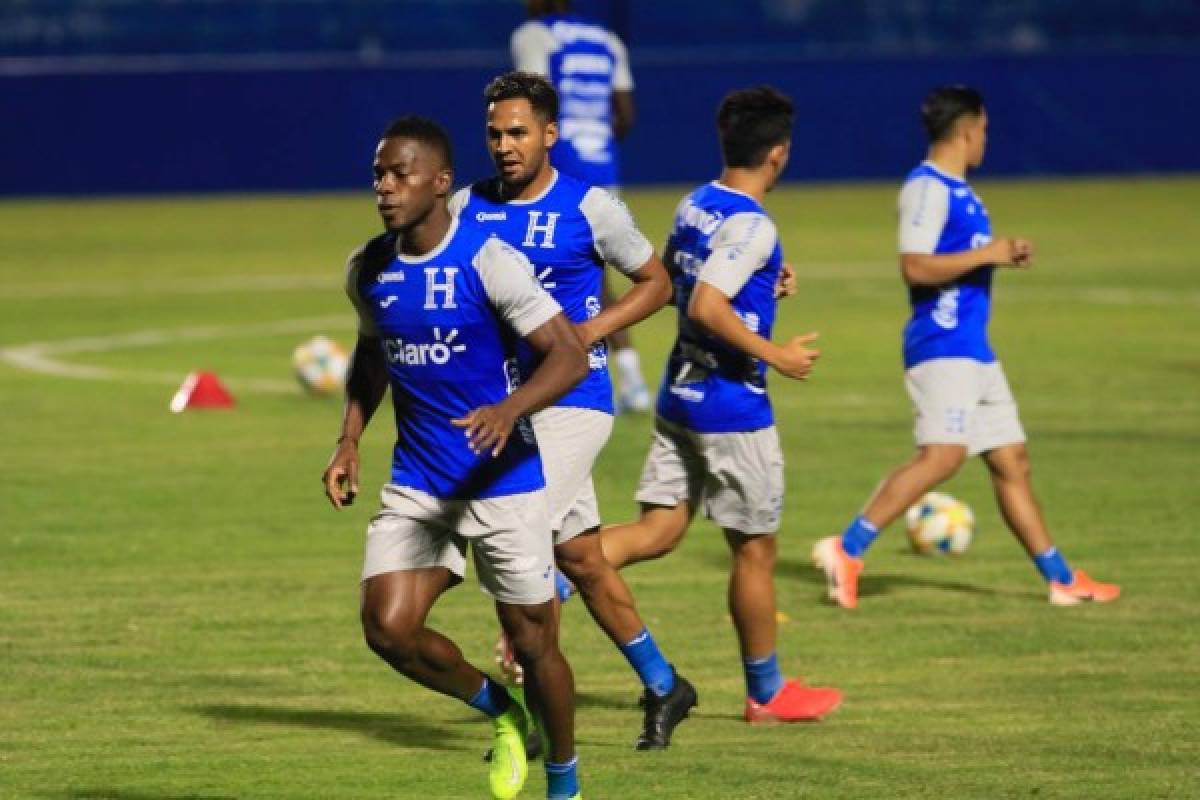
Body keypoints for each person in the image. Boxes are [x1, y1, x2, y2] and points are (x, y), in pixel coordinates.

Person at [322, 115, 588, 800]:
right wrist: (350, 438)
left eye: (399, 173)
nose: (384, 186)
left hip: (502, 480)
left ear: (440, 183)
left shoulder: (488, 260)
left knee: (535, 646)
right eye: (378, 173)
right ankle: (500, 714)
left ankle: (565, 785)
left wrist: (510, 410)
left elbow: (568, 354)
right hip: (420, 480)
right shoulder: (368, 268)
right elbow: (374, 355)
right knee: (387, 628)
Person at [450, 70, 696, 751]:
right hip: (510, 405)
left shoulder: (591, 209)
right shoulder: (468, 207)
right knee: (581, 558)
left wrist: (588, 333)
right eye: (496, 133)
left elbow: (658, 283)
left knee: (515, 535)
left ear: (549, 135)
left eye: (519, 132)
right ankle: (664, 682)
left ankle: (534, 715)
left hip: (575, 402)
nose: (505, 145)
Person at [811, 85, 1121, 610]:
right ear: (967, 128)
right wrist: (989, 254)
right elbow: (914, 265)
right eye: (984, 130)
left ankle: (1061, 579)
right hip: (941, 343)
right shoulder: (927, 188)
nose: (985, 141)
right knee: (944, 455)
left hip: (975, 349)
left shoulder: (963, 192)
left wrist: (997, 254)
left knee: (1012, 462)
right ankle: (847, 547)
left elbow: (965, 257)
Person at [599, 86, 844, 724]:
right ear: (780, 154)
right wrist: (777, 353)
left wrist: (766, 284)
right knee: (755, 549)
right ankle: (766, 691)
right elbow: (708, 304)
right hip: (732, 409)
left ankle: (546, 586)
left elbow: (690, 281)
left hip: (679, 392)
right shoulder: (753, 225)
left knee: (658, 530)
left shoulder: (697, 203)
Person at [511, 0, 651, 413]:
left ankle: (556, 371)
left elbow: (530, 107)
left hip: (556, 171)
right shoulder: (607, 40)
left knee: (525, 265)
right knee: (595, 274)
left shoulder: (534, 36)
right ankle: (630, 377)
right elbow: (624, 114)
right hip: (602, 169)